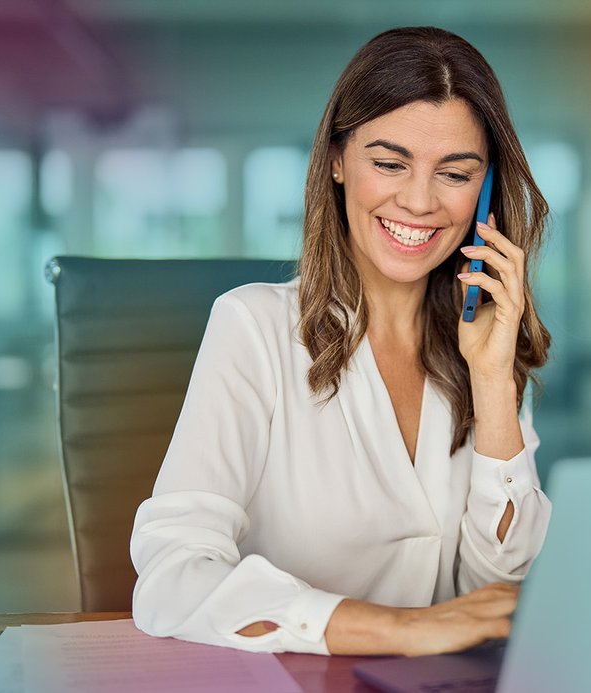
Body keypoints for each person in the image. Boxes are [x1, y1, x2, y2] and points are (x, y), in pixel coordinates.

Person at [130, 26, 554, 656]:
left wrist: (493, 381)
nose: (418, 201)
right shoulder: (253, 328)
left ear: (485, 192)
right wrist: (399, 629)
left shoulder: (481, 346)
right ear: (336, 159)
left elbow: (494, 594)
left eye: (455, 174)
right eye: (389, 163)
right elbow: (172, 576)